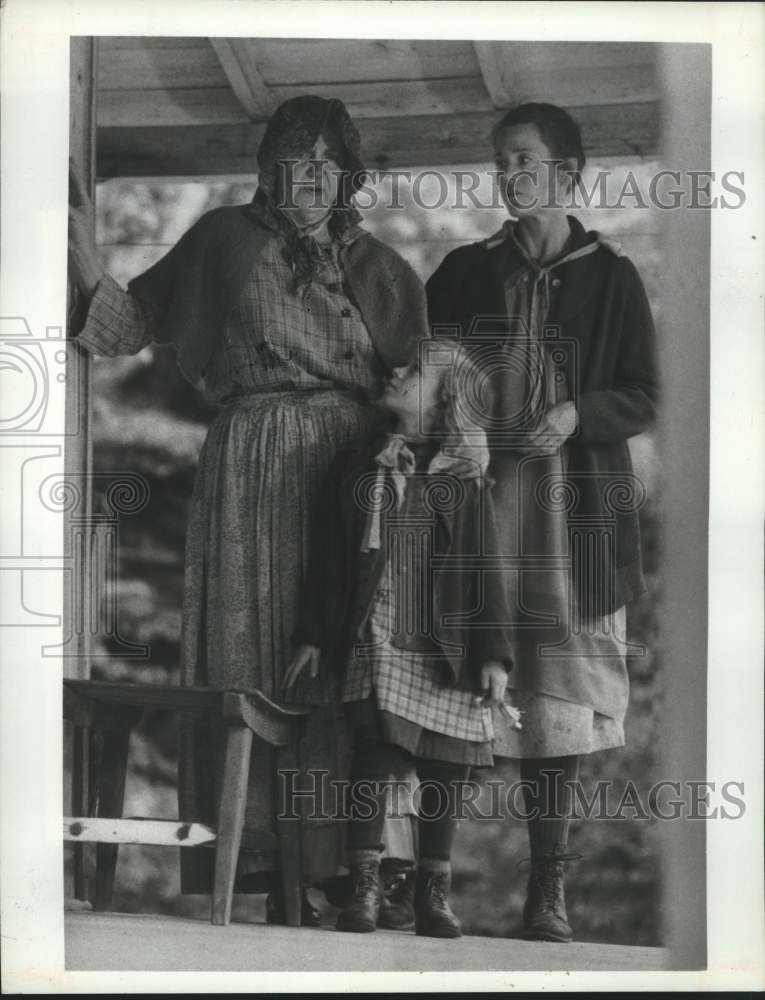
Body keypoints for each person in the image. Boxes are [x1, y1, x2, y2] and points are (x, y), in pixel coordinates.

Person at [67, 94, 429, 924]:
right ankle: (263, 866)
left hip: (352, 481)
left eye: (327, 161)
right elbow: (123, 328)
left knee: (351, 661)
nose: (311, 174)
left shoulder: (382, 268)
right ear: (270, 166)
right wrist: (80, 245)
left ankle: (355, 872)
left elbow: (426, 393)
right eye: (296, 158)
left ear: (348, 175)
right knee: (250, 658)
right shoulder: (222, 240)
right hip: (249, 468)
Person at [426, 103, 659, 942]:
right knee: (451, 684)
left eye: (522, 160)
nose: (507, 176)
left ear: (567, 171)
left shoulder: (611, 276)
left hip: (571, 520)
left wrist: (576, 413)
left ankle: (546, 897)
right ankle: (429, 890)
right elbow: (420, 375)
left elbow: (644, 391)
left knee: (554, 696)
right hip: (479, 510)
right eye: (499, 163)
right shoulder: (460, 271)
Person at [284, 341, 521, 937]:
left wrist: (493, 656)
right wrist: (314, 635)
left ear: (444, 403)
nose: (396, 370)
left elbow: (485, 568)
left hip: (445, 642)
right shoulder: (360, 465)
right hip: (378, 630)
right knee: (375, 752)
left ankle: (432, 892)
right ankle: (362, 886)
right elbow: (332, 559)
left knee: (447, 768)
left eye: (415, 372)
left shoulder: (465, 483)